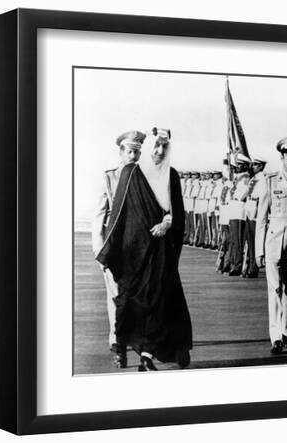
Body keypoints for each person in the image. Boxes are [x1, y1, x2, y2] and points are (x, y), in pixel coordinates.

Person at [96, 127, 193, 372]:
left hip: (160, 253)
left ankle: (146, 356)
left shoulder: (171, 175)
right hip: (133, 253)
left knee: (158, 302)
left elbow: (177, 211)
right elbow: (117, 215)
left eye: (164, 147)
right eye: (156, 146)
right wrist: (107, 253)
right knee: (131, 304)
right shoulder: (130, 172)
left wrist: (168, 222)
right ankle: (121, 347)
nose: (159, 152)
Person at [91, 130, 143, 363]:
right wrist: (98, 249)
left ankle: (133, 336)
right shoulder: (109, 177)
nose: (134, 156)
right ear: (121, 152)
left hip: (136, 245)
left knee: (135, 294)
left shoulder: (145, 176)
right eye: (130, 151)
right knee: (114, 294)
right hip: (114, 245)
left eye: (137, 152)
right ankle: (116, 338)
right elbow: (99, 214)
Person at [255, 138, 287, 354]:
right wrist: (258, 250)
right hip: (274, 242)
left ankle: (284, 331)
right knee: (275, 289)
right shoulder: (270, 181)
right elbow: (261, 218)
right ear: (282, 157)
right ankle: (274, 336)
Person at [227, 155, 251, 276]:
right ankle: (233, 262)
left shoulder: (245, 178)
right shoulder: (238, 178)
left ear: (246, 166)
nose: (237, 167)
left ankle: (237, 265)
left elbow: (243, 194)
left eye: (240, 164)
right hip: (233, 210)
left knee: (238, 240)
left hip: (240, 210)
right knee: (233, 239)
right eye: (237, 164)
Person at [243, 156, 267, 278]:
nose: (253, 167)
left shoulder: (262, 179)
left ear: (261, 166)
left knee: (255, 241)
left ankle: (254, 267)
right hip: (249, 208)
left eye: (256, 165)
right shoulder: (254, 178)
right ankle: (250, 265)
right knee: (250, 240)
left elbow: (261, 197)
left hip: (256, 211)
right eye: (253, 165)